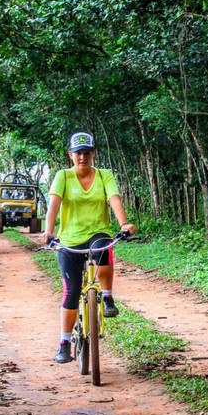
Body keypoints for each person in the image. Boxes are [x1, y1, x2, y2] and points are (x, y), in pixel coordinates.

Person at [40, 131, 135, 364]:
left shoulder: (104, 176)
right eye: (79, 153)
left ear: (93, 154)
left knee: (104, 248)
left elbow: (114, 199)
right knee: (71, 292)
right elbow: (54, 205)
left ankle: (107, 296)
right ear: (71, 155)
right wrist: (49, 231)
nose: (83, 156)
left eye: (87, 152)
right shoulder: (63, 176)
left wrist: (124, 224)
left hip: (96, 232)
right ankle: (64, 342)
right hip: (69, 239)